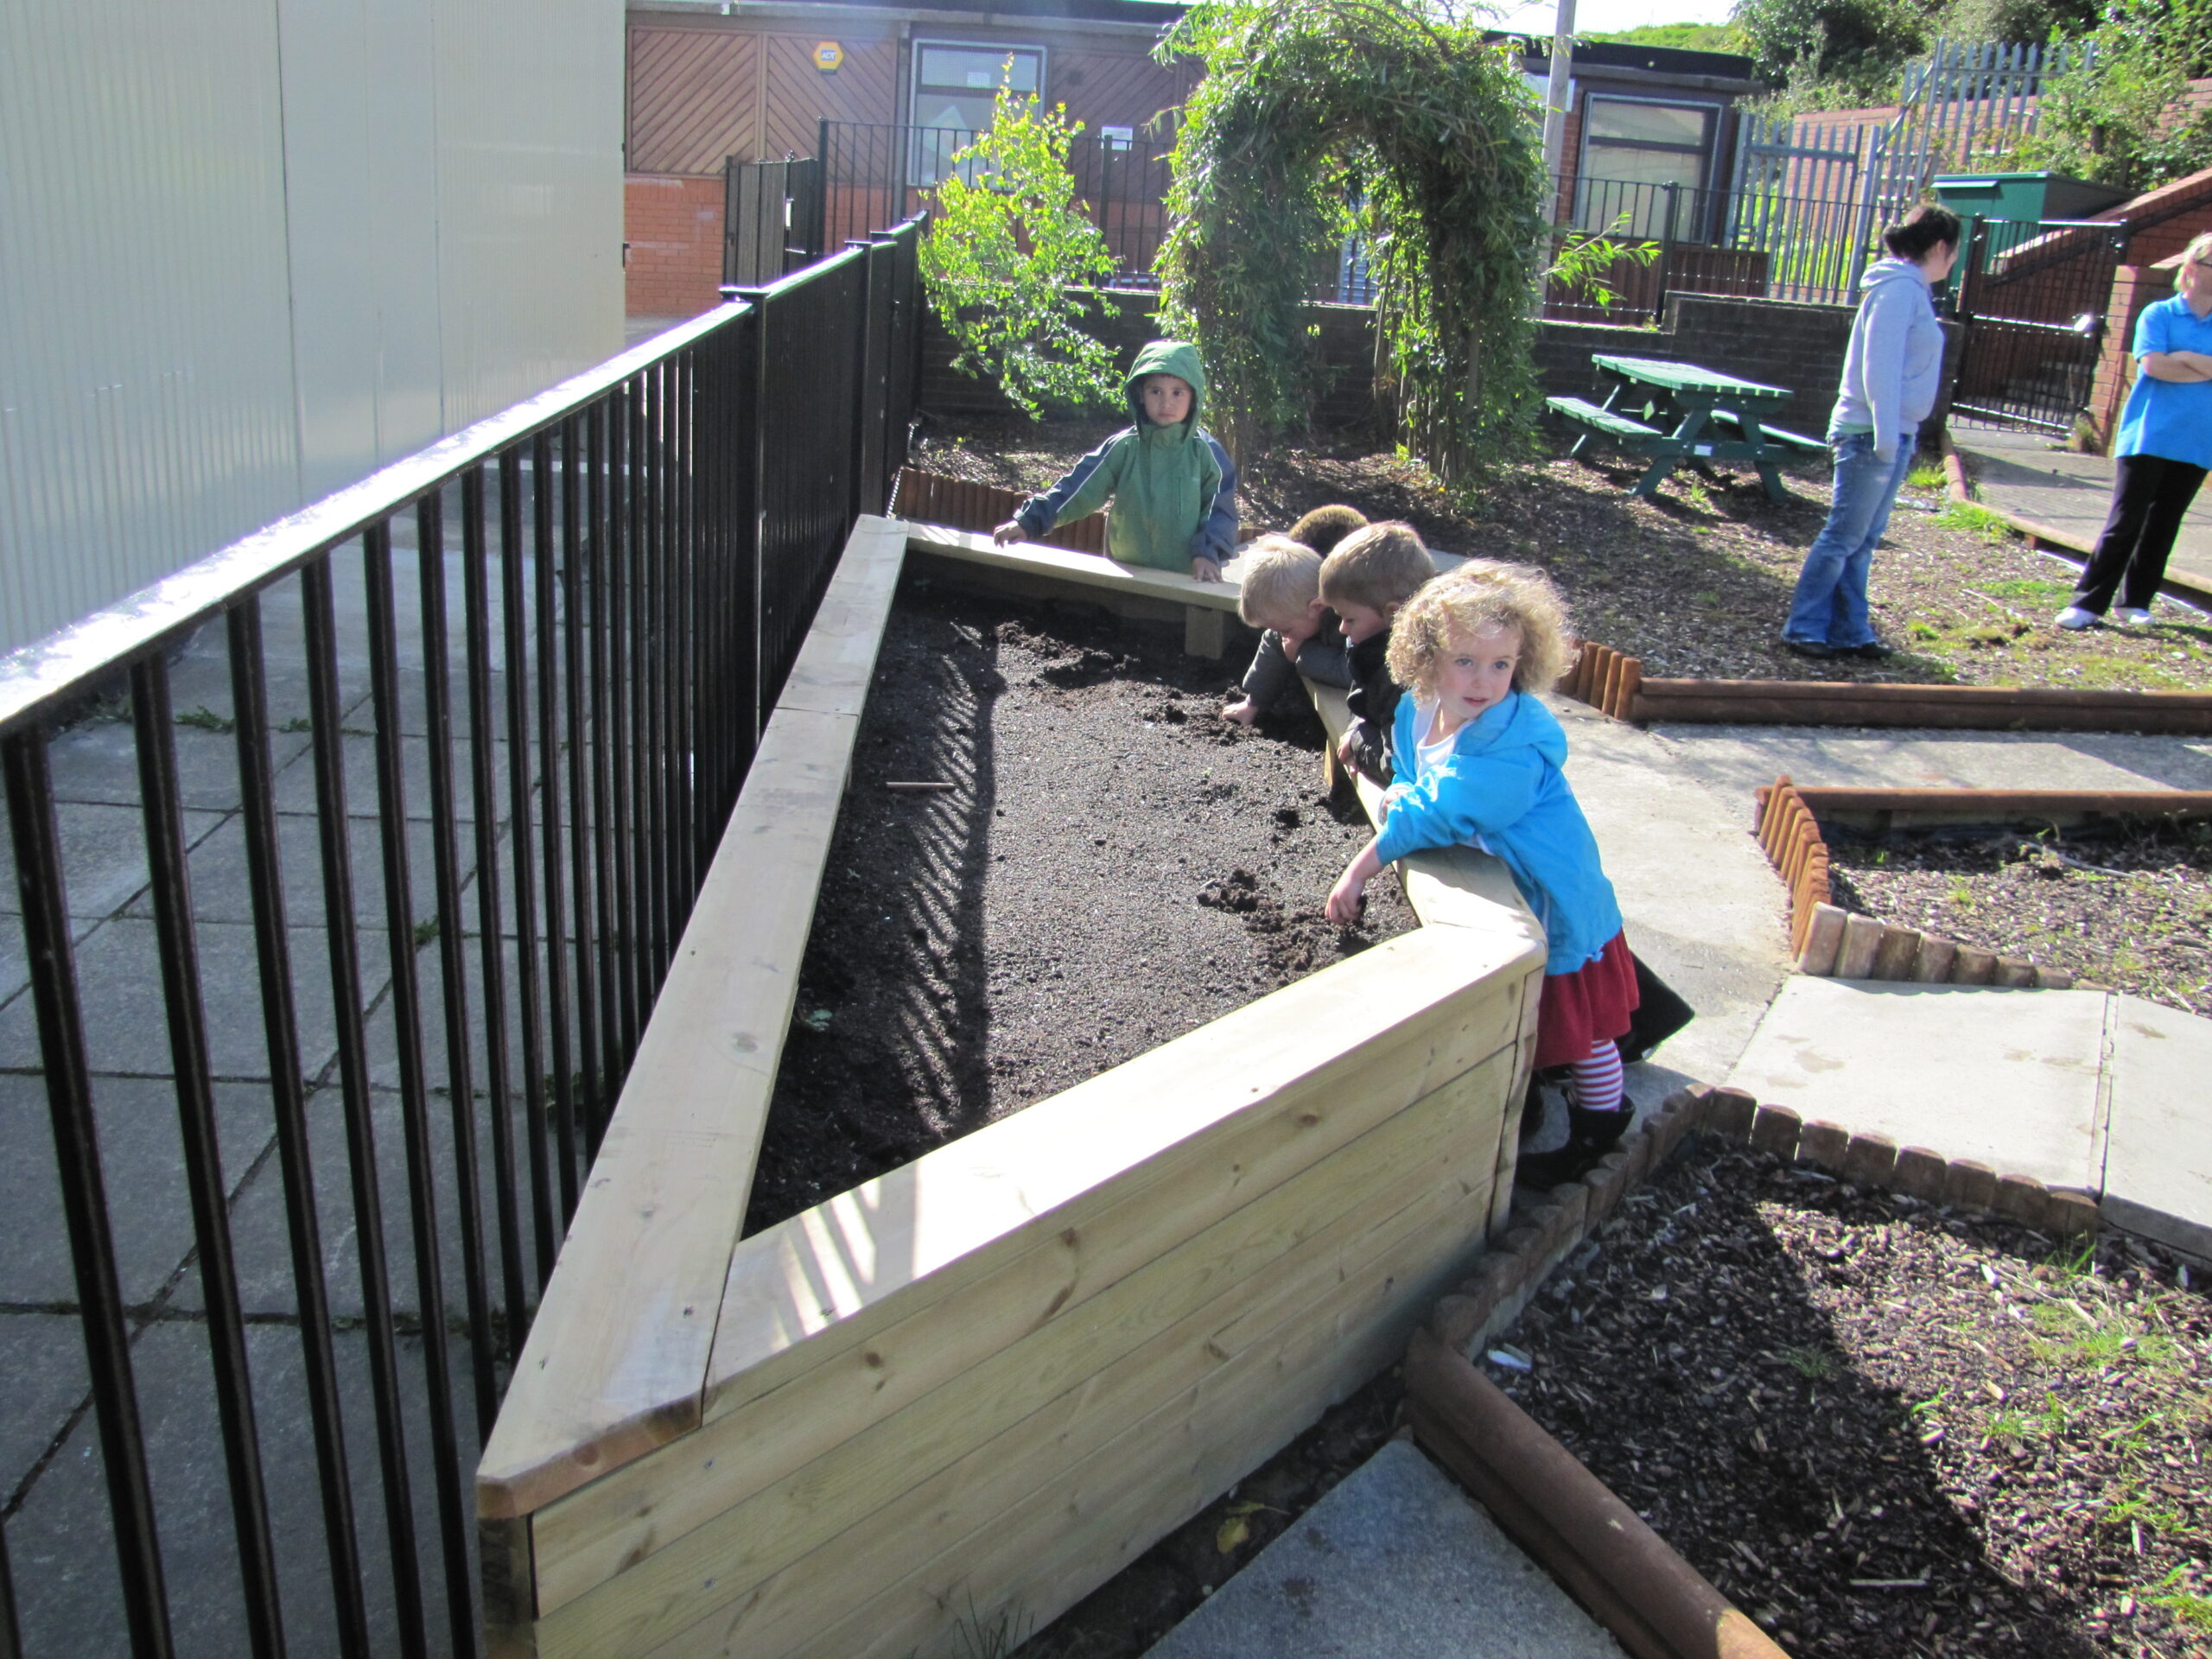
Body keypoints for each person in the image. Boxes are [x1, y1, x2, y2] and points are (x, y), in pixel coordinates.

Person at [1325, 562, 1638, 1185]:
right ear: (1427, 655)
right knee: (1558, 1019)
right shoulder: (1421, 708)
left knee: (1585, 1034)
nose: (1484, 681)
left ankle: (1600, 1128)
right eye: (1466, 661)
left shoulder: (1513, 743)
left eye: (1502, 664)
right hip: (1513, 883)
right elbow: (1418, 782)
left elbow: (1439, 811)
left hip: (1552, 897)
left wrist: (1360, 868)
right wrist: (1393, 792)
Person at [1781, 204, 1962, 661]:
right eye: (1954, 251)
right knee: (1844, 536)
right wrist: (1884, 433)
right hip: (1871, 433)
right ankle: (1805, 626)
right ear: (1940, 246)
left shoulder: (1910, 291)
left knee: (1863, 540)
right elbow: (1878, 365)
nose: (1954, 261)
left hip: (1891, 431)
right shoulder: (1899, 290)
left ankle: (1849, 629)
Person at [2056, 232, 2212, 630]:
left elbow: (2171, 363)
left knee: (2165, 525)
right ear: (2192, 269)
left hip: (2198, 439)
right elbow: (2154, 366)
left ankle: (2135, 602)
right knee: (2126, 520)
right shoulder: (2158, 314)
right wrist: (2199, 365)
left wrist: (2186, 356)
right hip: (2149, 434)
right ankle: (2088, 603)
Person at [993, 340, 1236, 581]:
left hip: (1185, 578)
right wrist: (1029, 521)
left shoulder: (1207, 453)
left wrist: (1207, 553)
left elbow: (1219, 510)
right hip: (1126, 573)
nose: (1166, 403)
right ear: (1140, 394)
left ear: (1193, 396)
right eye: (1156, 391)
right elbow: (1078, 487)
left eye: (1177, 392)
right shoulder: (1124, 446)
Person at [1318, 521, 1437, 784]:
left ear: (1394, 614)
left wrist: (1360, 742)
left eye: (1349, 619)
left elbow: (1396, 765)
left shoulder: (1405, 679)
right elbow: (1367, 701)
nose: (1341, 629)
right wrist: (1357, 723)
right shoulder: (1375, 652)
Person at [1222, 536, 1351, 725]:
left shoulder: (1348, 623)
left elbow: (1351, 670)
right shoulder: (1298, 618)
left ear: (1315, 607)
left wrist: (1301, 652)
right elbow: (1273, 641)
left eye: (1286, 629)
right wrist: (1253, 702)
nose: (1282, 635)